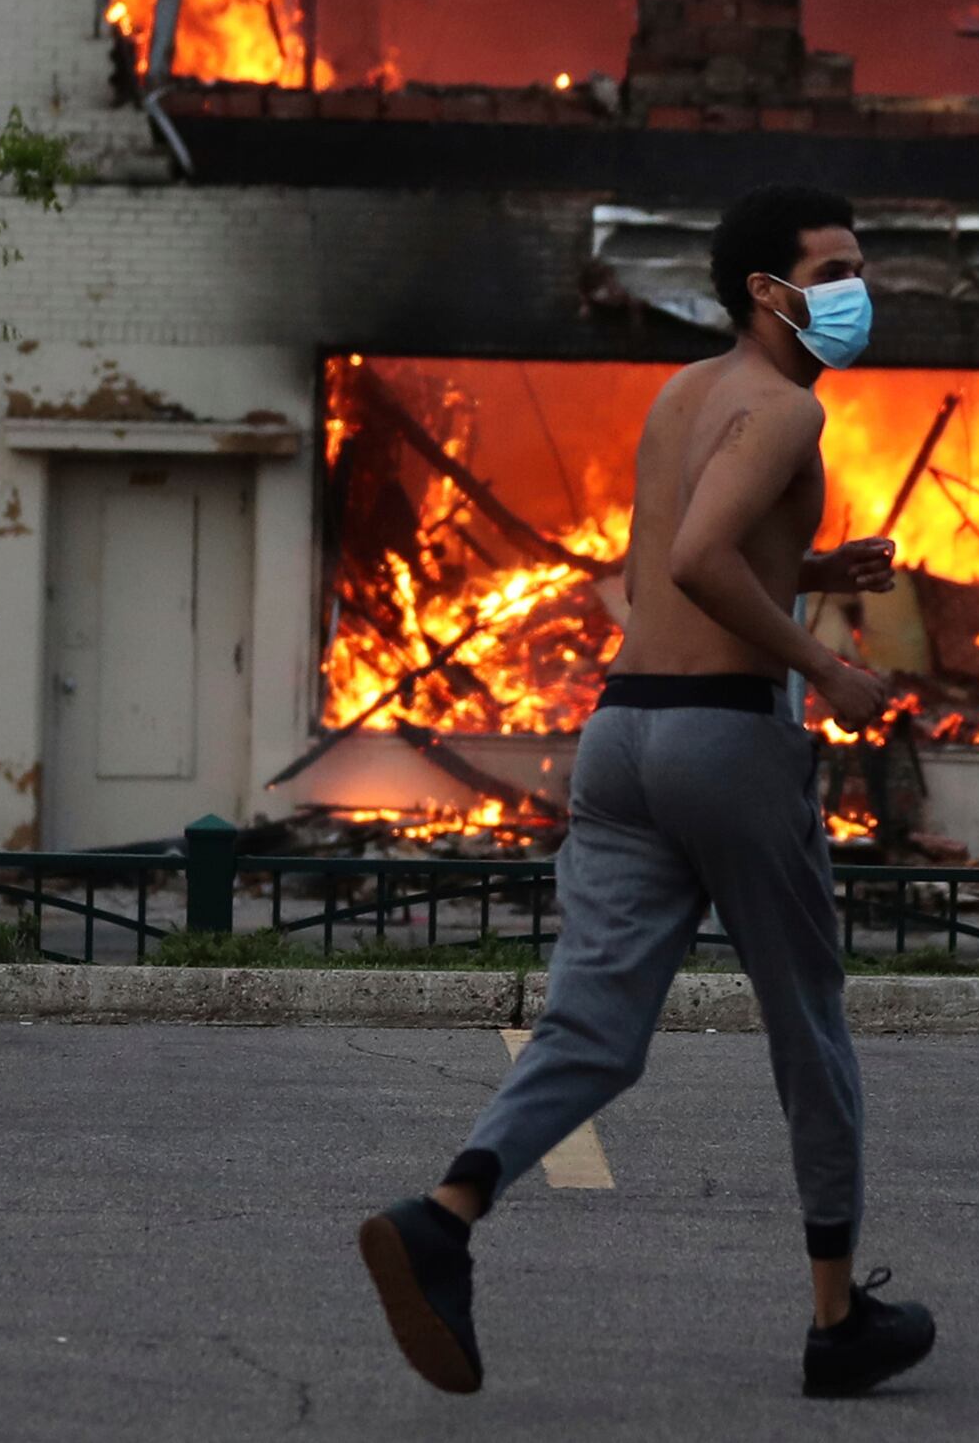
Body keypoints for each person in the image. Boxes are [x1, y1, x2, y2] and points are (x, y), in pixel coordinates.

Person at [356, 184, 937, 1399]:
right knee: (810, 1032)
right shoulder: (783, 411)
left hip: (621, 740)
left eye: (856, 267)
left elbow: (658, 565)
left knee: (596, 1026)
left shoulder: (683, 395)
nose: (854, 291)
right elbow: (693, 560)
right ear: (763, 292)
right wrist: (829, 666)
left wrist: (813, 565)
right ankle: (837, 1324)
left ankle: (445, 1213)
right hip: (725, 742)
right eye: (831, 271)